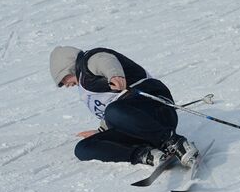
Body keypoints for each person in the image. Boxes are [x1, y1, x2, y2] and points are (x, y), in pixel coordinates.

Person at [49, 45, 196, 167]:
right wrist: (101, 131)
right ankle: (144, 154)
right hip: (137, 128)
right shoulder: (84, 84)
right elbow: (111, 106)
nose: (65, 85)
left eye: (62, 80)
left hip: (155, 110)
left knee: (113, 111)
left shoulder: (88, 61)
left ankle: (175, 143)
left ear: (67, 67)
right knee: (82, 148)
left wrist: (114, 75)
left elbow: (104, 60)